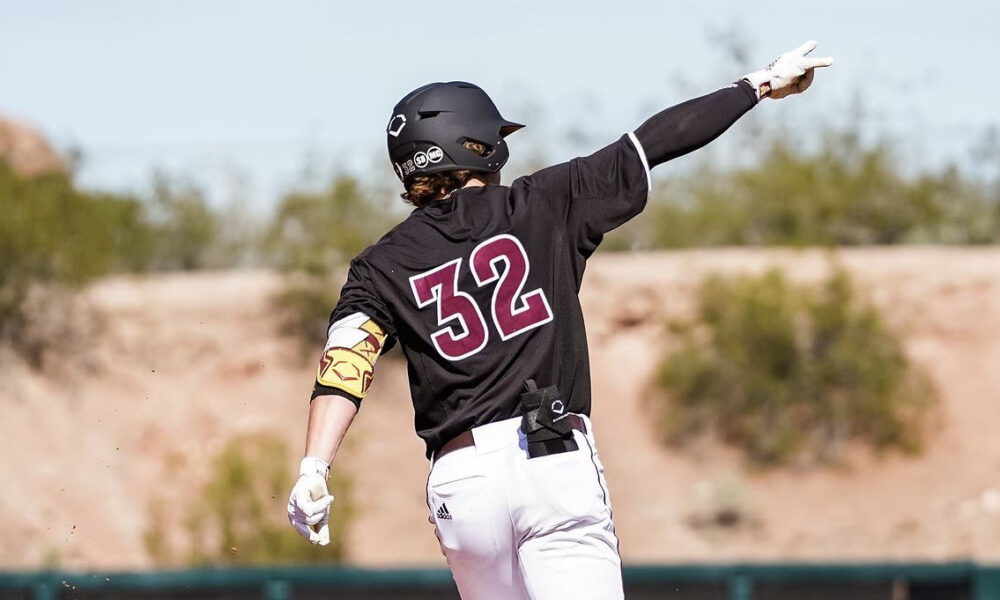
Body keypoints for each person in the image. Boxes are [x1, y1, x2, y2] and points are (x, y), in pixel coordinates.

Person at [287, 41, 833, 599]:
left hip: (461, 485)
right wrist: (758, 84)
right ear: (477, 148)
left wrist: (314, 468)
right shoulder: (544, 202)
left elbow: (344, 366)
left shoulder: (380, 264)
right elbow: (658, 140)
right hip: (547, 458)